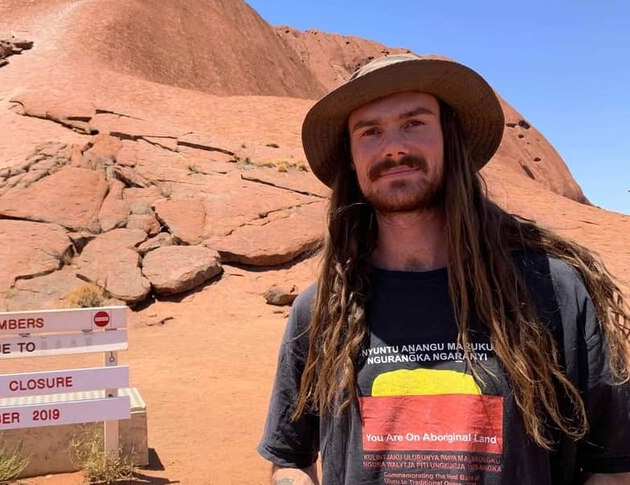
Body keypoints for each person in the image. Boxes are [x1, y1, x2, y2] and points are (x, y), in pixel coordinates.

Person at [257, 53, 630, 485]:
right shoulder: (322, 310)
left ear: (451, 141)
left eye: (414, 123)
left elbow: (612, 467)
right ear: (352, 159)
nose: (393, 146)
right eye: (370, 132)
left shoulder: (551, 290)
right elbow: (290, 458)